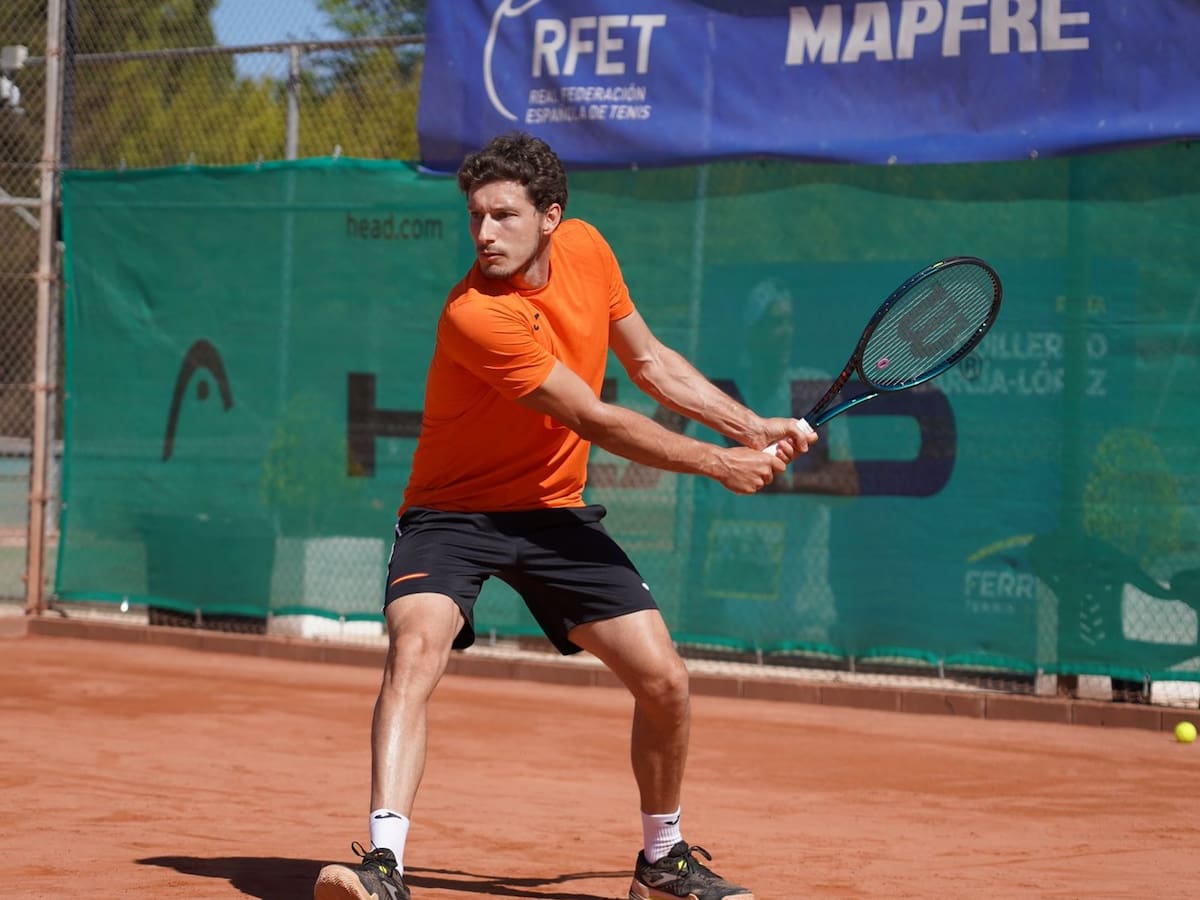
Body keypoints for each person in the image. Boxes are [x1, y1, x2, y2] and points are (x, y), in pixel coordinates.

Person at [313, 132, 817, 900]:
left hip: (553, 514)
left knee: (666, 683)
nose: (484, 234)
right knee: (416, 646)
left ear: (551, 216)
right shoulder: (474, 314)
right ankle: (384, 865)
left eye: (504, 216)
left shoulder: (587, 250)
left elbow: (648, 362)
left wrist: (751, 427)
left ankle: (662, 860)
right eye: (476, 217)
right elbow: (594, 416)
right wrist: (721, 463)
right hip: (452, 513)